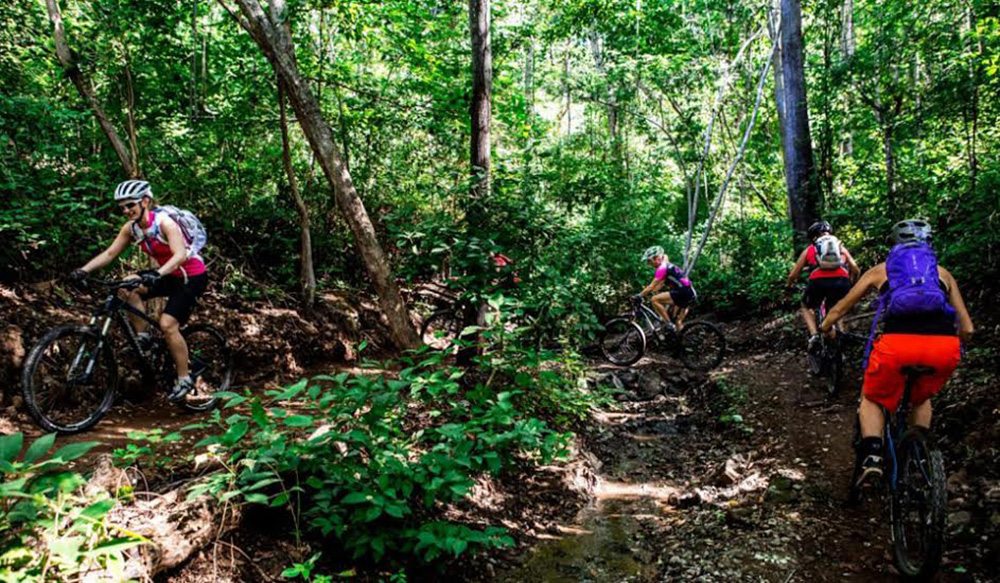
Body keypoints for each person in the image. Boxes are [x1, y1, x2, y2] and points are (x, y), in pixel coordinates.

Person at [820, 219, 974, 487]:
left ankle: (872, 458)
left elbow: (840, 308)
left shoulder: (882, 270)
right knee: (921, 396)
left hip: (896, 347)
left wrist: (824, 327)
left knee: (872, 398)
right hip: (942, 348)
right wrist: (949, 342)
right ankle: (919, 456)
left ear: (895, 244)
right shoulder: (943, 274)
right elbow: (968, 328)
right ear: (928, 244)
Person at [68, 180, 209, 402]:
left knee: (167, 324)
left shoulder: (165, 223)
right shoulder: (131, 227)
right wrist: (83, 270)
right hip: (169, 274)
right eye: (122, 207)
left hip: (191, 276)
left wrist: (156, 274)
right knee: (128, 287)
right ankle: (143, 337)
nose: (126, 210)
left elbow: (180, 254)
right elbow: (110, 254)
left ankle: (184, 377)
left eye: (130, 205)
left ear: (145, 201)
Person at [785, 220, 860, 353]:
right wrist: (852, 281)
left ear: (813, 236)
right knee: (838, 307)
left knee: (805, 305)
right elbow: (855, 268)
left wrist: (788, 285)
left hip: (818, 283)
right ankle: (840, 336)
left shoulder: (810, 249)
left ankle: (814, 336)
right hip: (842, 282)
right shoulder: (840, 247)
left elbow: (793, 274)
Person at [636, 246, 696, 333]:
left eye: (649, 261)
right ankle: (681, 341)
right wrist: (649, 292)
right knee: (677, 321)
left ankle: (668, 324)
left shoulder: (662, 268)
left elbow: (651, 287)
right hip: (690, 292)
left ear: (656, 258)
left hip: (683, 293)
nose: (648, 264)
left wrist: (639, 295)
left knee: (654, 300)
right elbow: (658, 286)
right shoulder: (666, 265)